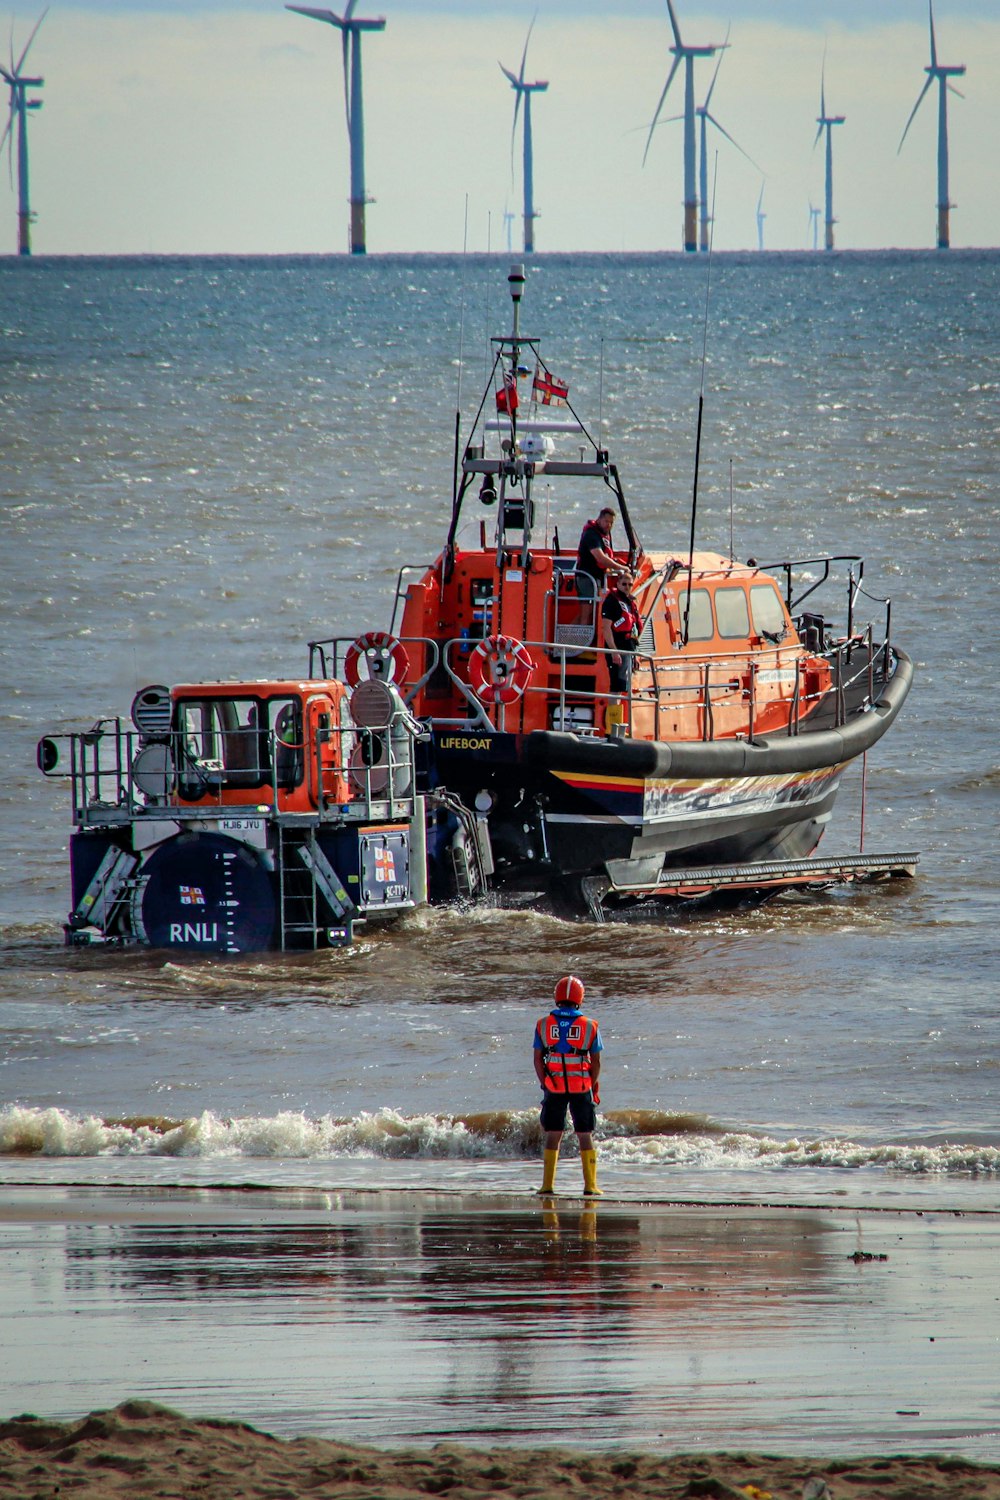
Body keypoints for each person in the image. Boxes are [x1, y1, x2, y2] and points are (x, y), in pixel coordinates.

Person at [533, 974, 603, 1196]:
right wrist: (590, 1085)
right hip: (581, 1087)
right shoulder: (591, 1026)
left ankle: (547, 1185)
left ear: (557, 997)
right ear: (580, 998)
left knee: (554, 1133)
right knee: (585, 1134)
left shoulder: (543, 1024)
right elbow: (597, 1062)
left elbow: (537, 1058)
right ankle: (590, 1186)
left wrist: (545, 1082)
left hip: (554, 1086)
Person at [601, 569, 641, 695]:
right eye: (624, 584)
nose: (627, 587)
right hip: (617, 646)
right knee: (616, 686)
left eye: (630, 585)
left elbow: (634, 628)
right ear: (618, 584)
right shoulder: (611, 601)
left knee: (624, 685)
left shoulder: (630, 602)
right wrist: (614, 652)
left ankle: (620, 712)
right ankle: (613, 714)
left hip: (628, 647)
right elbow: (606, 628)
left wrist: (636, 654)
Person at [576, 507, 618, 584]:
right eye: (606, 521)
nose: (609, 525)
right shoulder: (591, 534)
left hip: (598, 576)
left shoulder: (603, 534)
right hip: (587, 578)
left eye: (611, 523)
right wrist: (620, 567)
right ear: (599, 520)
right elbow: (600, 558)